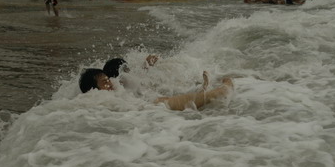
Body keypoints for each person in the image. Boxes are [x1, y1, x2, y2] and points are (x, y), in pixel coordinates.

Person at [79, 68, 233, 111]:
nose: (111, 84)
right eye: (105, 82)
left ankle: (205, 90)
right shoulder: (98, 102)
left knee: (167, 98)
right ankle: (221, 89)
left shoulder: (110, 96)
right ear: (94, 89)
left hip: (147, 106)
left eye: (109, 80)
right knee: (166, 101)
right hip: (148, 108)